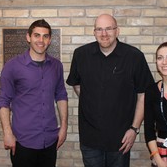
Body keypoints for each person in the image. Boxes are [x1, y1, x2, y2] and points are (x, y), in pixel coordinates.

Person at [66, 14, 154, 167]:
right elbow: (77, 84)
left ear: (117, 31)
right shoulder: (81, 54)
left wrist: (134, 129)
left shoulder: (134, 56)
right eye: (99, 29)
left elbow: (143, 94)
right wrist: (92, 99)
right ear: (94, 32)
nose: (104, 34)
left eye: (108, 29)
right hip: (90, 137)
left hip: (121, 139)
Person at [0, 19, 68, 167]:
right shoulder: (12, 66)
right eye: (37, 35)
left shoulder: (56, 66)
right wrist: (7, 133)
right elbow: (3, 100)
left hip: (49, 140)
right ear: (28, 37)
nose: (41, 40)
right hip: (23, 141)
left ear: (49, 40)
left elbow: (61, 95)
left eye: (45, 36)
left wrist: (64, 127)